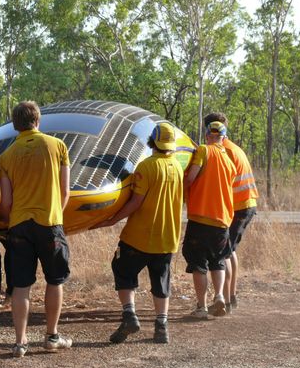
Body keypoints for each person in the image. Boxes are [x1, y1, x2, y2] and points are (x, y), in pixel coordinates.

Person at [92, 122, 183, 344]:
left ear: (152, 141)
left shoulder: (146, 166)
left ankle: (129, 315)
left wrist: (112, 219)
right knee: (161, 281)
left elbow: (135, 202)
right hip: (167, 237)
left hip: (139, 237)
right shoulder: (178, 167)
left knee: (122, 270)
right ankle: (162, 326)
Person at [0, 100, 72, 358]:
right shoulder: (57, 146)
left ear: (15, 125)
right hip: (50, 223)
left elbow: (6, 202)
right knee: (55, 280)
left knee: (21, 286)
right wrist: (55, 214)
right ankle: (51, 336)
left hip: (19, 226)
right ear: (38, 121)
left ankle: (20, 342)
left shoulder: (6, 156)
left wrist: (12, 220)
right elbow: (65, 192)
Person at [203, 113, 258, 313]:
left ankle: (224, 300)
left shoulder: (223, 151)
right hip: (246, 203)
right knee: (230, 250)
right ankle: (230, 296)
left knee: (223, 252)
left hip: (238, 206)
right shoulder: (233, 147)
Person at [183, 121, 237, 319]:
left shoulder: (204, 151)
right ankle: (220, 296)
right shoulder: (229, 161)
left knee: (198, 264)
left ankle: (201, 307)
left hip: (200, 218)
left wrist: (181, 187)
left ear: (207, 135)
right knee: (218, 261)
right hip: (222, 221)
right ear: (224, 138)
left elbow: (191, 178)